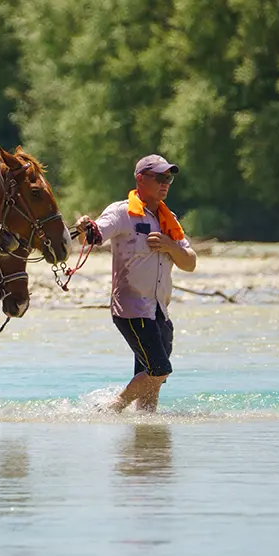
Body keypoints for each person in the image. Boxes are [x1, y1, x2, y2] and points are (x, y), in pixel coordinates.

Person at [75, 154, 197, 412]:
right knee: (160, 369)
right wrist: (86, 227)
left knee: (153, 382)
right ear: (141, 179)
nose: (166, 183)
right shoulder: (122, 212)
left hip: (159, 310)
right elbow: (96, 234)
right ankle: (111, 408)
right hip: (132, 309)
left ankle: (145, 435)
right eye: (160, 177)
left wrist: (170, 245)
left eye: (169, 178)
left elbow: (190, 263)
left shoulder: (169, 219)